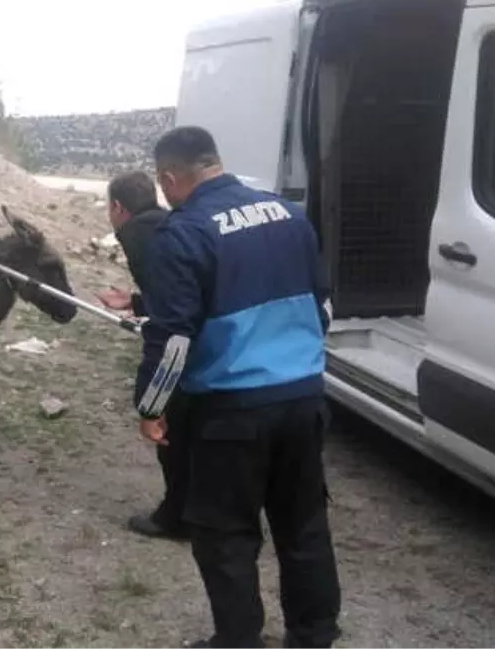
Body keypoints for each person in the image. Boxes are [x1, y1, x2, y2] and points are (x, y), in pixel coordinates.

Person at [133, 126, 341, 649]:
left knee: (226, 536)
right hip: (302, 399)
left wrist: (151, 405)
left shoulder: (183, 233)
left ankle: (239, 641)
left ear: (169, 178)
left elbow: (174, 339)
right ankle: (313, 637)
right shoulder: (290, 216)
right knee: (304, 527)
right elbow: (324, 306)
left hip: (230, 413)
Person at [94, 170, 188, 541]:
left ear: (118, 206)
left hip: (181, 347)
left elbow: (170, 322)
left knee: (168, 424)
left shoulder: (136, 234)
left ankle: (177, 516)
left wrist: (152, 398)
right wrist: (135, 301)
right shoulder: (170, 221)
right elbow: (180, 290)